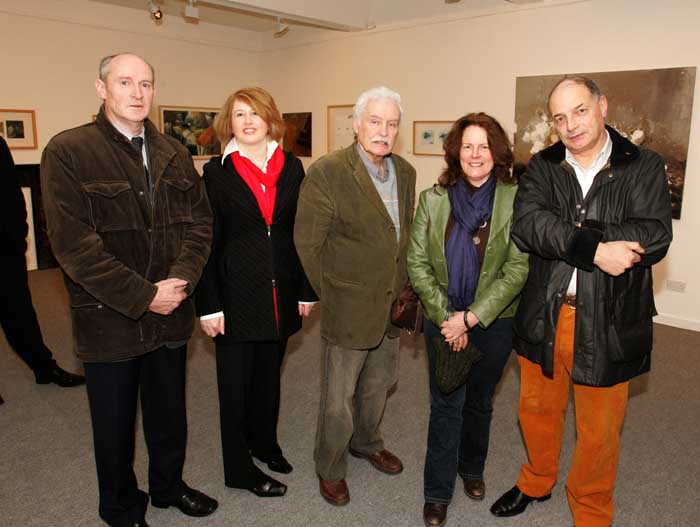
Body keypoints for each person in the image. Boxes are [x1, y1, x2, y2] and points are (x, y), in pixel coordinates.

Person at [40, 53, 217, 527]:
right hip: (110, 320)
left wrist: (177, 284)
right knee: (115, 426)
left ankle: (168, 486)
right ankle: (119, 506)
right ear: (102, 89)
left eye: (146, 84)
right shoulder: (68, 151)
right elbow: (74, 247)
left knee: (169, 417)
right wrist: (144, 295)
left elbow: (200, 224)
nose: (138, 93)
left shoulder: (175, 152)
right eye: (125, 82)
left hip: (171, 312)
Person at [490, 76, 672, 527]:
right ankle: (536, 481)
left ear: (602, 106)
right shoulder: (543, 164)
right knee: (535, 412)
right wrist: (595, 249)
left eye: (580, 110)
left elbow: (654, 234)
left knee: (600, 430)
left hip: (609, 320)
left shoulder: (644, 165)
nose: (570, 124)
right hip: (544, 314)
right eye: (559, 117)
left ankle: (590, 510)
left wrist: (570, 236)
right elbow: (527, 225)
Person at [294, 86, 416, 506]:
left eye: (392, 123)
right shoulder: (328, 172)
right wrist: (332, 295)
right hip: (348, 305)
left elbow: (402, 235)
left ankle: (367, 443)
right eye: (376, 121)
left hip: (390, 303)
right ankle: (330, 466)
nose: (384, 130)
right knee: (338, 397)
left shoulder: (404, 171)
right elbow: (307, 244)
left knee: (379, 385)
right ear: (357, 124)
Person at [407, 113, 529, 527]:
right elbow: (417, 263)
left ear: (497, 152)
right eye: (467, 146)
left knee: (479, 401)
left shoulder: (516, 199)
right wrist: (449, 318)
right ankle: (437, 491)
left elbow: (518, 268)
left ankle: (471, 468)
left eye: (484, 146)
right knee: (446, 405)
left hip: (495, 322)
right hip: (442, 321)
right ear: (456, 152)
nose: (475, 155)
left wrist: (472, 318)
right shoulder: (433, 199)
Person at [196, 87, 317, 498]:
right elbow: (206, 242)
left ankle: (265, 444)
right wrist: (208, 303)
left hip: (280, 293)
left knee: (269, 380)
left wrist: (305, 289)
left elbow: (300, 234)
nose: (247, 122)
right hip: (233, 298)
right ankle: (238, 468)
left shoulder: (293, 168)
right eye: (239, 115)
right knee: (235, 389)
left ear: (271, 120)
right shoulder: (216, 173)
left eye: (255, 114)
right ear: (228, 123)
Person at [0, 136, 84, 399]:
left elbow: (10, 194)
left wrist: (18, 236)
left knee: (19, 311)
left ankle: (44, 368)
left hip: (4, 248)